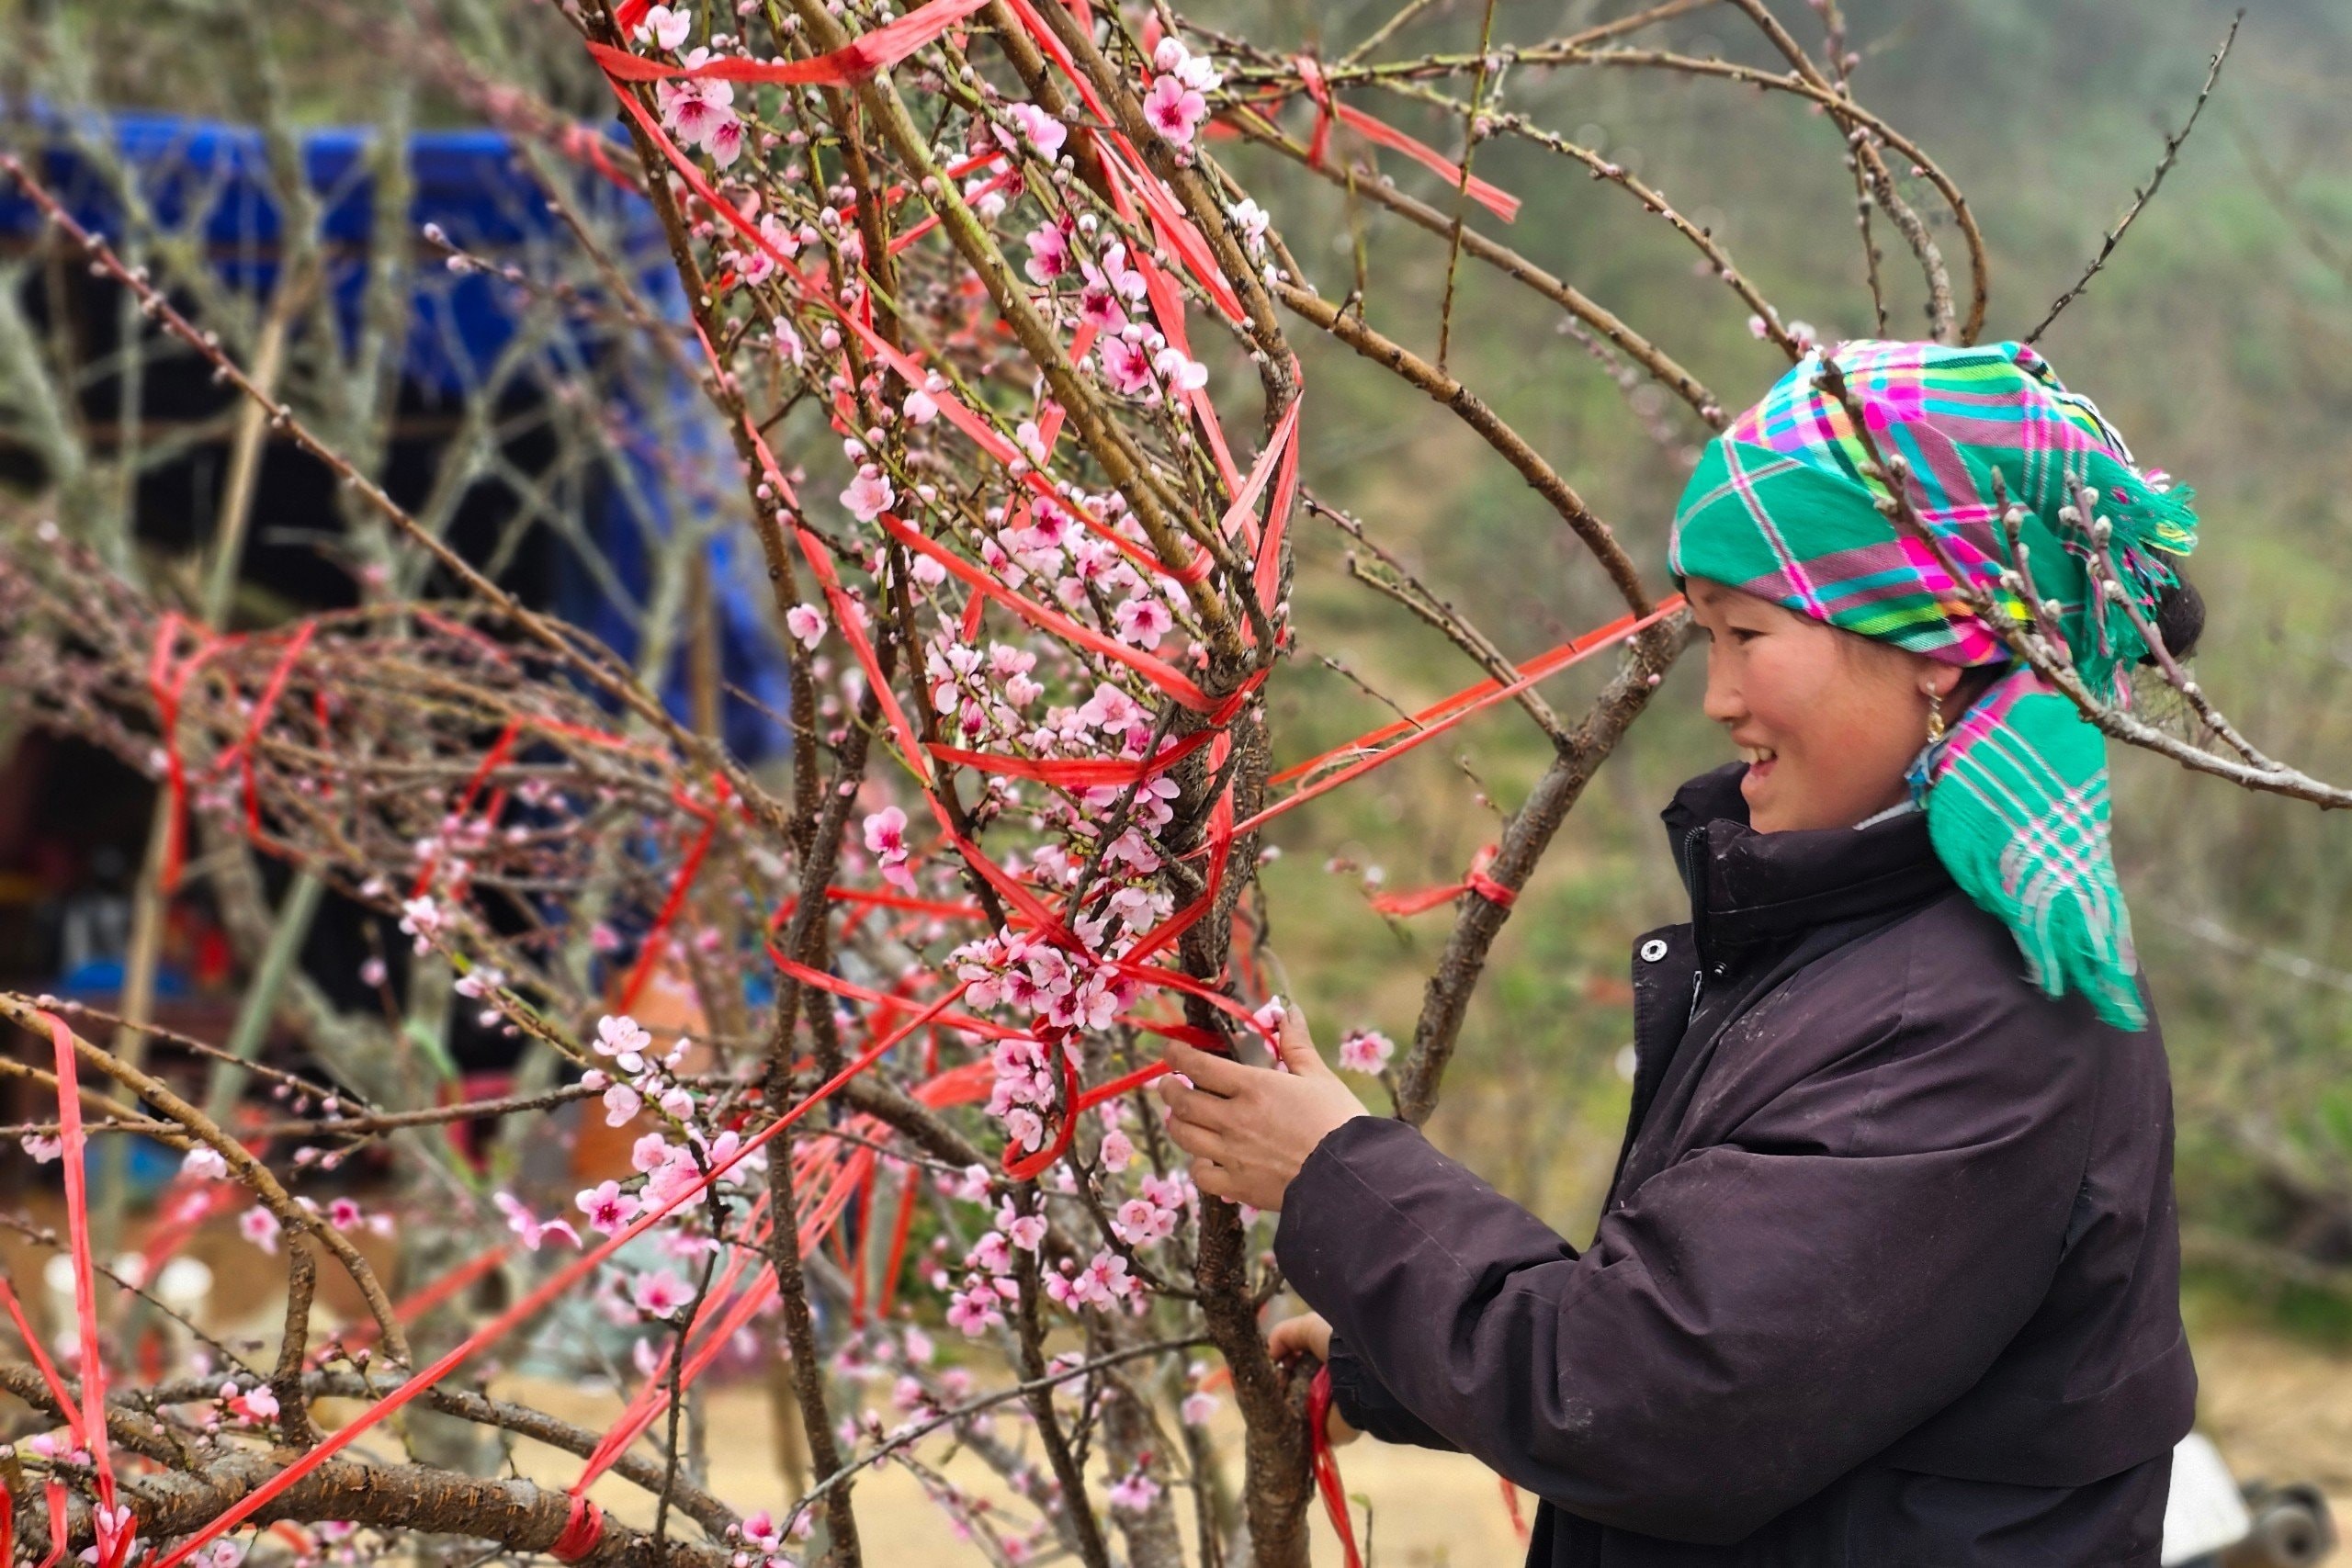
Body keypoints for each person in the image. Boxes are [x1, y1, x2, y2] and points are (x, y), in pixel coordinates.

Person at [1157, 339, 2201, 1565]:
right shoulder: (1858, 936)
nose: (1715, 697)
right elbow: (1773, 1358)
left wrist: (1338, 1177)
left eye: (1746, 633)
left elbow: (1655, 1404)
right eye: (1706, 637)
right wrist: (1403, 1359)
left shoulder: (1977, 1013)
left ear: (1932, 643)